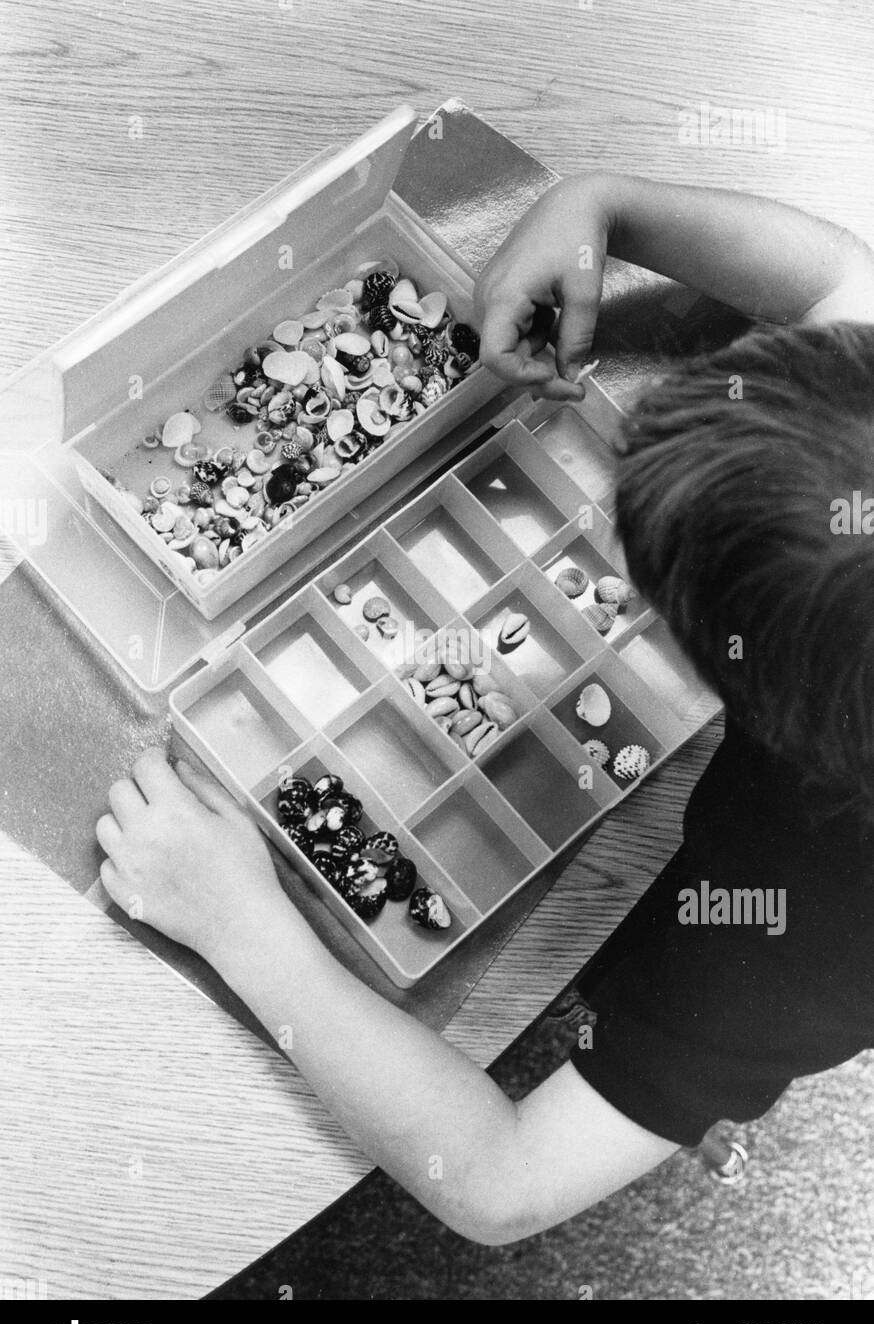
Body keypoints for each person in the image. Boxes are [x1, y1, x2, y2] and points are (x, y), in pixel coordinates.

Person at [96, 175, 874, 1246]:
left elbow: (505, 1183)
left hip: (759, 925)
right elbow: (841, 277)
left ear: (752, 696)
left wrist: (245, 928)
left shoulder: (812, 935)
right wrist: (609, 208)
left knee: (672, 962)